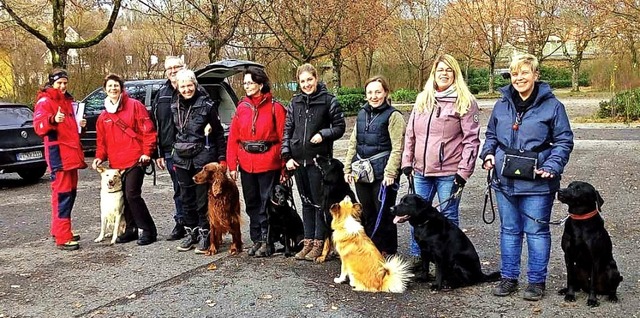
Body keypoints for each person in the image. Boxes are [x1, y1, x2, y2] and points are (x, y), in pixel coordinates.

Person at [480, 53, 573, 301]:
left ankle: (536, 282)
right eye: (514, 74)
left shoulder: (553, 106)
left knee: (536, 232)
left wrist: (552, 165)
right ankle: (509, 278)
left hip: (538, 182)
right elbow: (490, 135)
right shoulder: (501, 105)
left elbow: (564, 141)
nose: (519, 78)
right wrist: (488, 155)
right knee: (509, 230)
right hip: (503, 181)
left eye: (524, 72)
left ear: (535, 75)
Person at [401, 54, 481, 263]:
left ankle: (448, 262)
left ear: (455, 74)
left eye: (448, 70)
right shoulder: (423, 99)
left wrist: (463, 172)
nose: (444, 74)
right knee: (415, 217)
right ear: (433, 73)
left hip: (449, 172)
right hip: (420, 172)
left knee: (448, 217)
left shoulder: (464, 101)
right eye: (440, 70)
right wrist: (407, 162)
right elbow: (410, 134)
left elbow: (471, 140)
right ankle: (420, 261)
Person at [282, 63, 345, 261]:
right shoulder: (294, 103)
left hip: (319, 161)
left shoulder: (328, 101)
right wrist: (287, 156)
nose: (307, 84)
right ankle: (308, 241)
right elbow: (287, 130)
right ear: (298, 83)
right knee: (306, 202)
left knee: (320, 203)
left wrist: (323, 134)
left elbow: (340, 127)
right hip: (298, 162)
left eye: (310, 79)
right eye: (303, 81)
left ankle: (320, 242)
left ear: (316, 79)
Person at [91, 74, 159, 246]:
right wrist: (99, 157)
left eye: (116, 85)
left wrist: (147, 152)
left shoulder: (135, 106)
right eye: (110, 86)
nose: (113, 89)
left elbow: (148, 130)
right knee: (124, 197)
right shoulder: (103, 117)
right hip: (116, 163)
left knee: (132, 194)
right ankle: (130, 229)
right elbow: (102, 142)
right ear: (105, 89)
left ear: (121, 88)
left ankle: (149, 229)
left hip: (136, 159)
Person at [227, 66, 286, 257]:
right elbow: (233, 137)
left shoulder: (275, 107)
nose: (247, 86)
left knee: (267, 203)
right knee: (251, 202)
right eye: (244, 83)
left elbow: (284, 137)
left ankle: (268, 240)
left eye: (250, 82)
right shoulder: (242, 107)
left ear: (260, 84)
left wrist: (284, 167)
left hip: (269, 161)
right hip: (246, 162)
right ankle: (257, 239)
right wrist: (232, 164)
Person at [343, 75, 405, 256]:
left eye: (378, 92)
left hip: (383, 174)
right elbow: (353, 142)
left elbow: (398, 147)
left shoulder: (394, 116)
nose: (374, 96)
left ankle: (388, 251)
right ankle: (371, 251)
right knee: (368, 214)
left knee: (384, 214)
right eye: (370, 92)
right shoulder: (362, 114)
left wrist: (391, 173)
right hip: (362, 173)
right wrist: (348, 167)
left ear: (386, 92)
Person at [171, 69, 227, 254]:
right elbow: (170, 131)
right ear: (177, 87)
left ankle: (206, 233)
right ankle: (191, 231)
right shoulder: (174, 105)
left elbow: (219, 133)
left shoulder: (207, 105)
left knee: (202, 198)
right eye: (183, 86)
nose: (186, 89)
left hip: (202, 156)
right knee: (185, 197)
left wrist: (221, 158)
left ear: (195, 85)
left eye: (189, 85)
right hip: (181, 157)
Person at [33, 69, 87, 251]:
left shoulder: (67, 101)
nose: (63, 86)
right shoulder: (45, 101)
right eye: (59, 83)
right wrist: (52, 119)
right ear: (52, 84)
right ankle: (63, 237)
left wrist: (81, 126)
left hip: (70, 154)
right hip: (60, 155)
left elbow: (70, 130)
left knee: (68, 194)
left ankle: (60, 230)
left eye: (65, 83)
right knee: (63, 195)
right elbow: (39, 127)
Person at [151, 56, 186, 241]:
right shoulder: (161, 94)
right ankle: (181, 222)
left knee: (194, 188)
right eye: (169, 68)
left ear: (184, 67)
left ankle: (199, 225)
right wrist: (157, 153)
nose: (173, 70)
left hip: (191, 150)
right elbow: (155, 124)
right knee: (178, 188)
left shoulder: (192, 88)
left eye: (177, 67)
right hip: (169, 150)